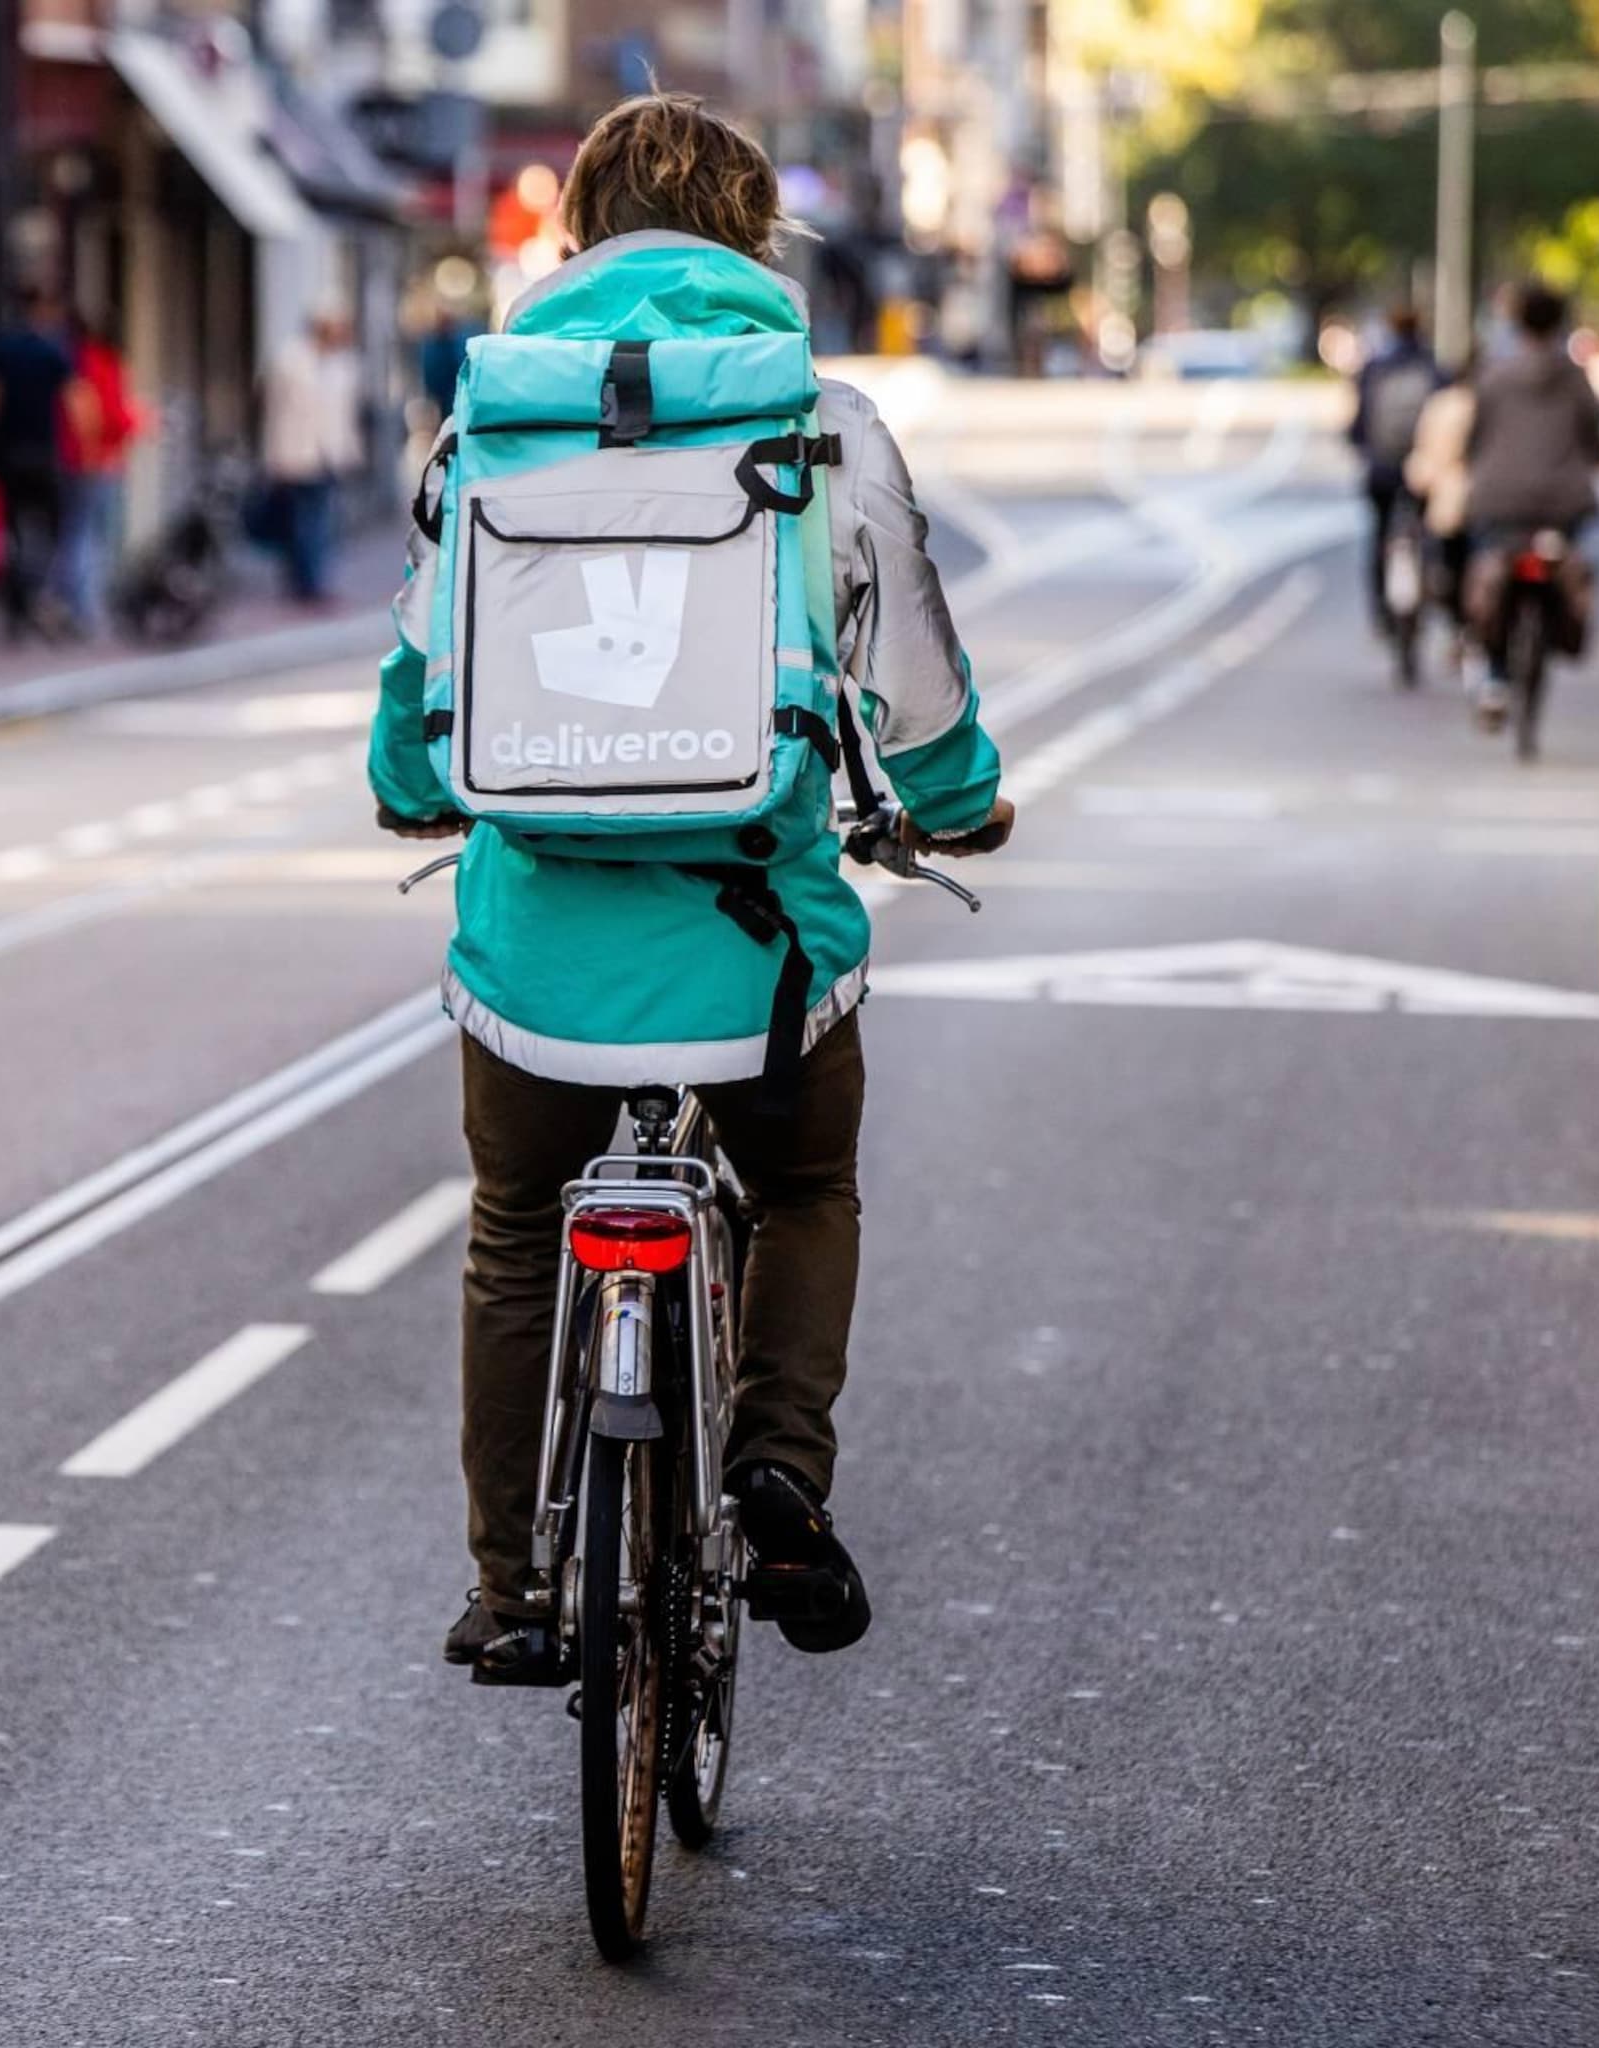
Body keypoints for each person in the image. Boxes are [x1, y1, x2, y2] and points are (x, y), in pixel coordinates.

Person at [368, 92, 1013, 1685]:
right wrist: (959, 805)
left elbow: (419, 662)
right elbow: (912, 681)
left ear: (574, 232)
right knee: (804, 1185)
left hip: (538, 956)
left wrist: (403, 790)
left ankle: (512, 1587)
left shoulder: (490, 418)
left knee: (521, 1226)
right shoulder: (822, 416)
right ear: (753, 236)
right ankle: (780, 1466)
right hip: (758, 950)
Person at [1464, 283, 1599, 719]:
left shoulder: (1494, 375)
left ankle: (1492, 673)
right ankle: (1558, 627)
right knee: (1566, 559)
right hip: (1563, 503)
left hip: (1500, 499)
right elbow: (1595, 440)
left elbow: (1475, 439)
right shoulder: (1575, 378)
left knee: (1486, 562)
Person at [0, 283, 83, 644]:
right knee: (54, 530)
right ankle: (40, 597)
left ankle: (16, 607)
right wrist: (84, 451)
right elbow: (78, 403)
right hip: (42, 453)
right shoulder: (53, 352)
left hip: (4, 454)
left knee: (9, 530)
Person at [260, 308, 364, 603]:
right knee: (298, 523)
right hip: (295, 453)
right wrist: (273, 456)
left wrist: (351, 452)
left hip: (329, 455)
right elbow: (275, 412)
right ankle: (302, 583)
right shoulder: (289, 360)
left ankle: (314, 582)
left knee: (321, 522)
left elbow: (346, 415)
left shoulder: (345, 365)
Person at [1349, 304, 1439, 637]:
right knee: (1432, 532)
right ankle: (1432, 591)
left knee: (1381, 535)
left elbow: (1359, 424)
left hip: (1382, 470)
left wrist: (1361, 446)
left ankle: (1381, 611)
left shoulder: (1375, 368)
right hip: (1425, 471)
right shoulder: (1433, 367)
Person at [53, 313, 146, 636]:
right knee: (92, 535)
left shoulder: (73, 360)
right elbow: (108, 414)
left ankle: (70, 601)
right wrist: (142, 421)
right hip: (97, 461)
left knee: (75, 531)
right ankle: (82, 606)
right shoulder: (102, 363)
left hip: (71, 459)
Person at [1403, 357, 1477, 648]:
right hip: (1484, 501)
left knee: (1447, 562)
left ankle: (1455, 622)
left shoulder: (1441, 406)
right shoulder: (1488, 403)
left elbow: (1425, 453)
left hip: (1447, 499)